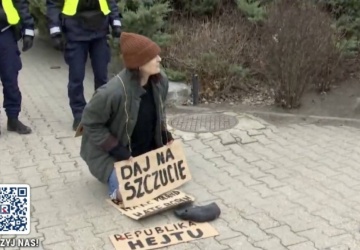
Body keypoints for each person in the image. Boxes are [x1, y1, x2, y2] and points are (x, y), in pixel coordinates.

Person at [79, 32, 174, 202]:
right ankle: (115, 185)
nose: (159, 59)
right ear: (139, 63)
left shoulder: (161, 82)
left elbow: (159, 113)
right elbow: (90, 124)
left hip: (142, 152)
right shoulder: (112, 92)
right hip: (111, 155)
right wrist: (119, 151)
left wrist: (164, 134)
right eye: (153, 56)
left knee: (169, 182)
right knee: (127, 196)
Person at [46, 0, 122, 130]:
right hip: (75, 31)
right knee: (76, 77)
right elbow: (53, 4)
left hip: (100, 31)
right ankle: (79, 115)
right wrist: (55, 32)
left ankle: (101, 114)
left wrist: (116, 22)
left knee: (102, 77)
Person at [0, 0, 34, 135]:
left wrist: (28, 32)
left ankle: (13, 119)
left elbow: (21, 3)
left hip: (5, 32)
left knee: (11, 78)